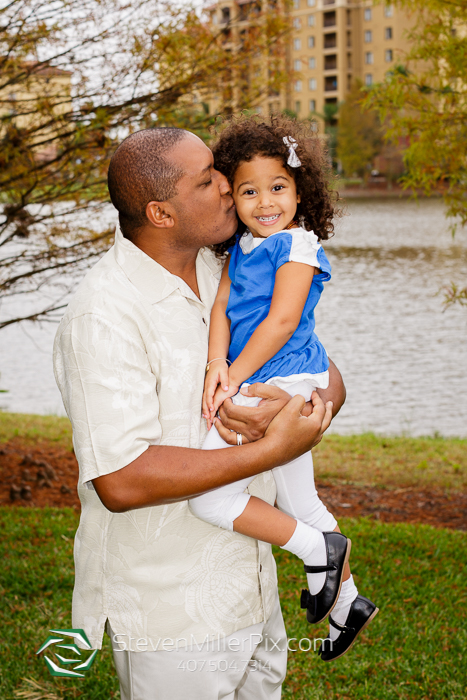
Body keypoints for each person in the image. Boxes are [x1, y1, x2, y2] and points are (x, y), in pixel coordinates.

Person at [53, 126, 345, 700]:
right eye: (208, 179)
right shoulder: (104, 315)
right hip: (172, 614)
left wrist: (299, 404)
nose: (227, 186)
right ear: (161, 212)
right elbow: (121, 479)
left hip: (255, 590)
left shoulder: (229, 265)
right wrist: (271, 451)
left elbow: (326, 372)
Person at [189, 115, 378, 661]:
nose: (265, 202)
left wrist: (235, 379)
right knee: (303, 501)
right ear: (232, 195)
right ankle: (348, 605)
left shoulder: (297, 245)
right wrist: (214, 366)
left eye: (278, 187)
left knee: (207, 497)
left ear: (300, 192)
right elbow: (223, 310)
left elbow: (279, 321)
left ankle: (316, 549)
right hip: (257, 371)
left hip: (289, 373)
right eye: (249, 191)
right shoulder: (243, 248)